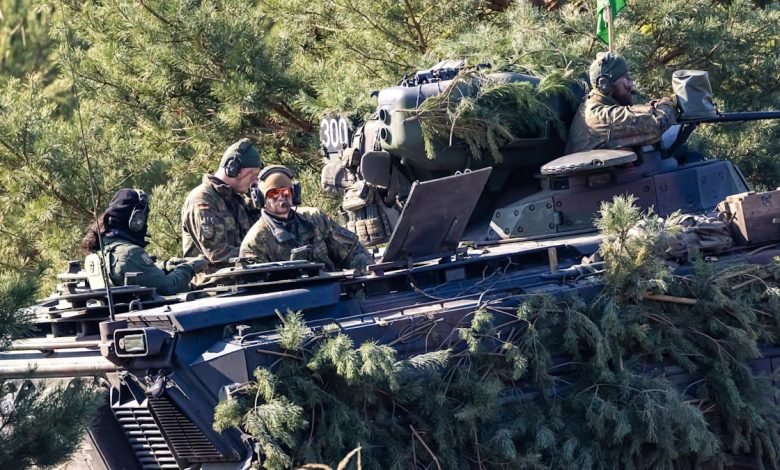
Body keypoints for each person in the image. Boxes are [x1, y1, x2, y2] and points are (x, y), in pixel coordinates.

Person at [239, 165, 372, 271]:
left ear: (294, 194)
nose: (281, 198)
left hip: (330, 289)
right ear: (261, 198)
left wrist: (368, 273)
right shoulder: (255, 241)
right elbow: (258, 287)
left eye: (285, 192)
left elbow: (351, 251)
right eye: (273, 194)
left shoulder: (316, 219)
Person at [80, 189, 207, 295]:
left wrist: (166, 266)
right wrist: (189, 268)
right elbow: (168, 286)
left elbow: (133, 272)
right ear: (136, 220)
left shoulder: (103, 248)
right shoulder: (129, 253)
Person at [565, 51, 678, 155]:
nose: (631, 84)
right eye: (625, 78)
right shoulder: (601, 116)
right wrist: (668, 103)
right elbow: (658, 122)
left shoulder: (596, 104)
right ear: (605, 85)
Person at [181, 138, 262, 276]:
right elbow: (217, 253)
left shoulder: (237, 200)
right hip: (213, 283)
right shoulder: (202, 199)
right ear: (233, 169)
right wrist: (262, 253)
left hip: (242, 279)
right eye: (252, 174)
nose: (255, 180)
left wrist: (257, 205)